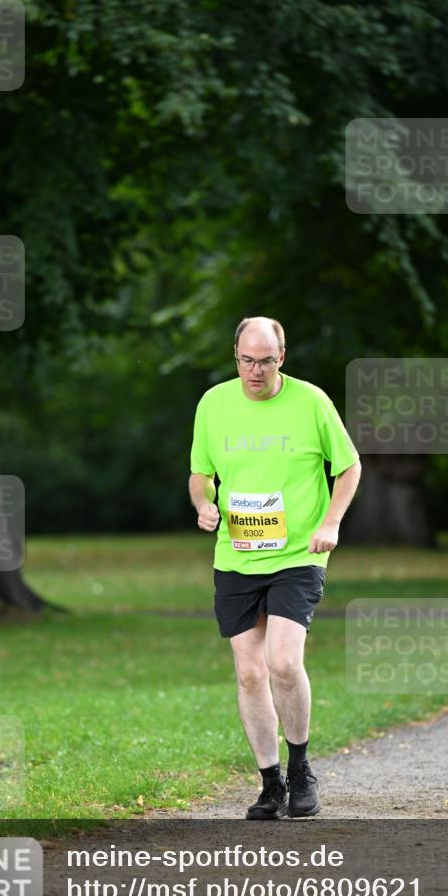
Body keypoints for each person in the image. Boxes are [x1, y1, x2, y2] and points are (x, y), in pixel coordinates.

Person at [188, 316, 361, 819]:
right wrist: (204, 504)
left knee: (283, 662)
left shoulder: (311, 402)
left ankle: (301, 767)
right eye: (247, 360)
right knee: (248, 673)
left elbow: (348, 466)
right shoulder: (213, 404)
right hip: (237, 555)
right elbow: (200, 474)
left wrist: (331, 522)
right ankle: (270, 783)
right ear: (235, 356)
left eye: (265, 360)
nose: (255, 371)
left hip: (297, 555)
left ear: (281, 357)